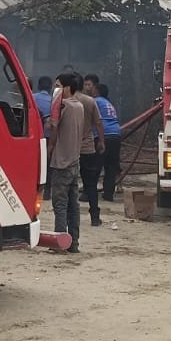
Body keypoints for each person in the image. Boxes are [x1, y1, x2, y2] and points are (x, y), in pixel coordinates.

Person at [47, 71, 88, 253]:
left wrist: (50, 148)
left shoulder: (63, 106)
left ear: (67, 88)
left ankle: (59, 243)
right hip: (74, 161)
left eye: (58, 86)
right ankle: (74, 243)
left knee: (60, 205)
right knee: (73, 206)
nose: (55, 89)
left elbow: (54, 127)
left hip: (61, 162)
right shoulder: (79, 106)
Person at [71, 75, 107, 226]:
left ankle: (70, 217)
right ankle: (95, 217)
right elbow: (98, 123)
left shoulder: (67, 101)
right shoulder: (90, 101)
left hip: (70, 148)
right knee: (90, 184)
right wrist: (101, 141)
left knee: (69, 184)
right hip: (87, 147)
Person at [94, 82, 122, 202]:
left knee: (96, 165)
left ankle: (89, 192)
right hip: (116, 134)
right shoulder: (108, 103)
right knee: (111, 166)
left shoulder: (96, 101)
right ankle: (108, 194)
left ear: (97, 91)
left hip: (103, 134)